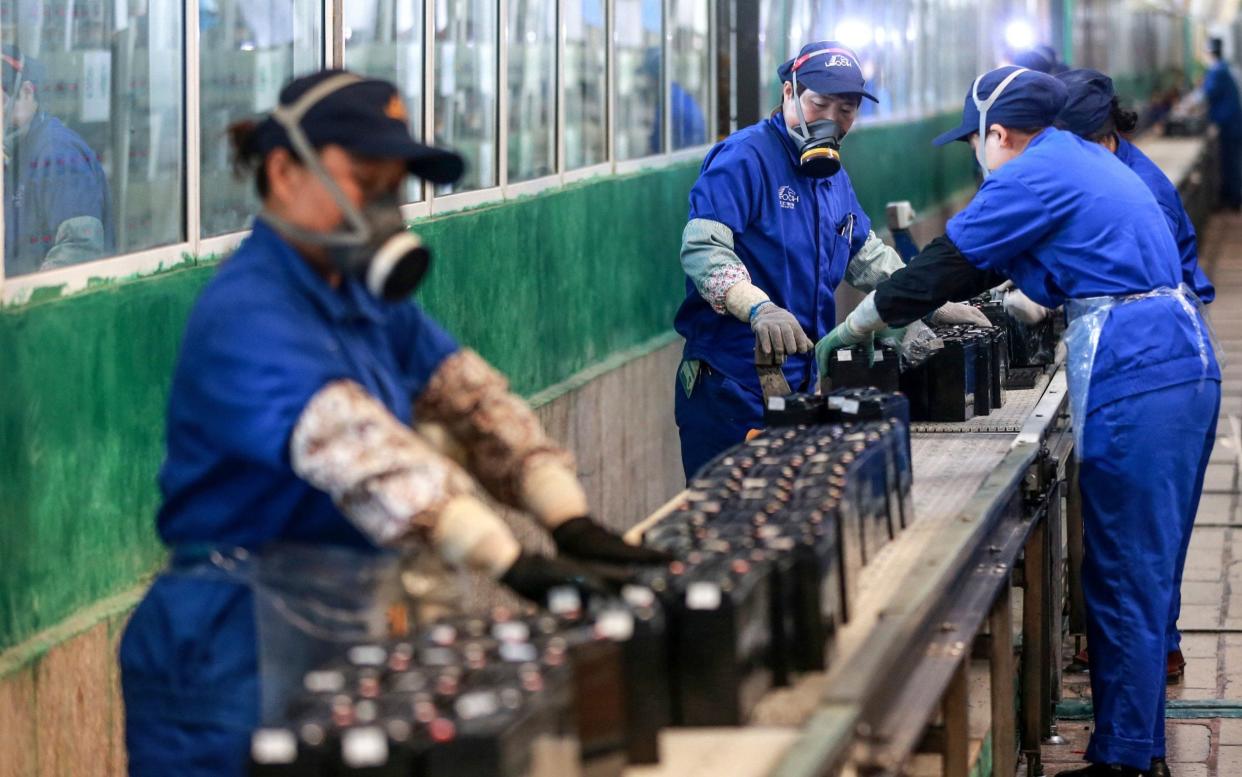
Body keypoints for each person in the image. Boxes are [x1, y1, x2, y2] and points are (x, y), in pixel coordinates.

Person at [118, 69, 668, 777]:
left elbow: (472, 403)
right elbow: (362, 453)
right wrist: (511, 561)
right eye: (364, 179)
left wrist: (568, 518)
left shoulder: (366, 301)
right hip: (227, 649)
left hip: (336, 622)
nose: (386, 206)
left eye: (394, 186)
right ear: (285, 171)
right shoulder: (246, 314)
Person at [818, 65, 1220, 777]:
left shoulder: (1032, 170)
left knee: (1125, 571)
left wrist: (863, 320)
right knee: (1141, 569)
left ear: (998, 134)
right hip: (1175, 356)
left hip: (1139, 362)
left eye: (977, 142)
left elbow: (950, 261)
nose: (979, 157)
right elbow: (994, 267)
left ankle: (1123, 762)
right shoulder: (1080, 158)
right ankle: (1140, 751)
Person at [672, 41, 988, 478]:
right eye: (819, 103)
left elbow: (865, 254)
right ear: (788, 94)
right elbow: (703, 246)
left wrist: (928, 300)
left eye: (847, 109)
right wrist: (756, 306)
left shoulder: (832, 174)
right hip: (731, 383)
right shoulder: (744, 158)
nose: (833, 120)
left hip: (801, 379)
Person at [1055, 67, 1218, 691]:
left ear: (1101, 137)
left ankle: (1154, 655)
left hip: (1155, 353)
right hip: (1161, 349)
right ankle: (1152, 656)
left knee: (1139, 535)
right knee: (1147, 530)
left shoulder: (1134, 183)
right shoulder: (1114, 169)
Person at [2, 48, 111, 276]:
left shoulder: (58, 154)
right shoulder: (17, 152)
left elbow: (78, 250)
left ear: (27, 91)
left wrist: (30, 300)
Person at [1204, 37, 1242, 209]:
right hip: (1231, 122)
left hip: (1229, 124)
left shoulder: (1217, 71)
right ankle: (1231, 196)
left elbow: (1207, 92)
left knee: (1230, 161)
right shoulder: (1223, 68)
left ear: (1211, 53)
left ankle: (1233, 199)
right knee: (1231, 160)